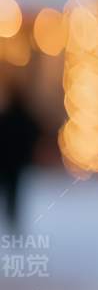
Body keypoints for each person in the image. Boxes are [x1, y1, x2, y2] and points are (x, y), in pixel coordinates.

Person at [0, 83, 43, 231]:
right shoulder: (26, 117)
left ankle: (10, 220)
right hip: (17, 164)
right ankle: (12, 220)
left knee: (7, 191)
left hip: (5, 162)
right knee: (14, 193)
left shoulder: (5, 116)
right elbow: (38, 131)